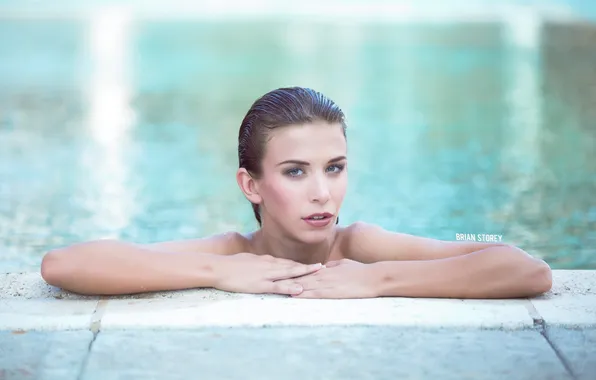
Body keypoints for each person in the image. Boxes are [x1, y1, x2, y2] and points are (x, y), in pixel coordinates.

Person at [40, 87, 552, 299]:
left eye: (335, 168)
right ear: (252, 185)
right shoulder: (231, 252)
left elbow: (523, 266)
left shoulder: (359, 247)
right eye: (294, 172)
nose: (322, 194)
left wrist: (378, 281)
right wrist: (217, 272)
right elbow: (63, 264)